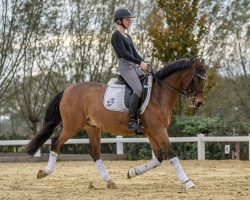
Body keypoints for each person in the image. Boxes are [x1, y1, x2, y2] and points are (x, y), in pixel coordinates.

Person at [111, 8, 150, 131]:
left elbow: (135, 53)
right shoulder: (116, 35)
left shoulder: (128, 36)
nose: (129, 22)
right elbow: (123, 54)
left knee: (146, 83)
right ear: (119, 21)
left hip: (133, 67)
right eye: (127, 20)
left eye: (129, 20)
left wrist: (145, 63)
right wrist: (140, 63)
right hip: (125, 67)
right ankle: (132, 121)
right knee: (138, 89)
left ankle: (142, 114)